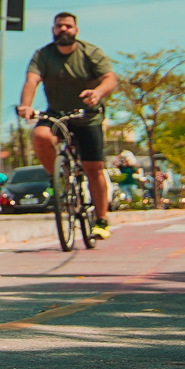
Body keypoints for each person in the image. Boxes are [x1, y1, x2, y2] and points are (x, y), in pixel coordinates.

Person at [15, 13, 119, 237]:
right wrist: (25, 105)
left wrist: (98, 93)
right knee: (41, 136)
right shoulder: (43, 55)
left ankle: (101, 219)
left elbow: (110, 78)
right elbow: (32, 79)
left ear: (76, 30)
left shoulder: (90, 53)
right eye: (59, 26)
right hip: (56, 114)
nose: (64, 30)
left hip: (87, 115)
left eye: (68, 26)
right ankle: (59, 177)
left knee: (94, 169)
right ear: (53, 30)